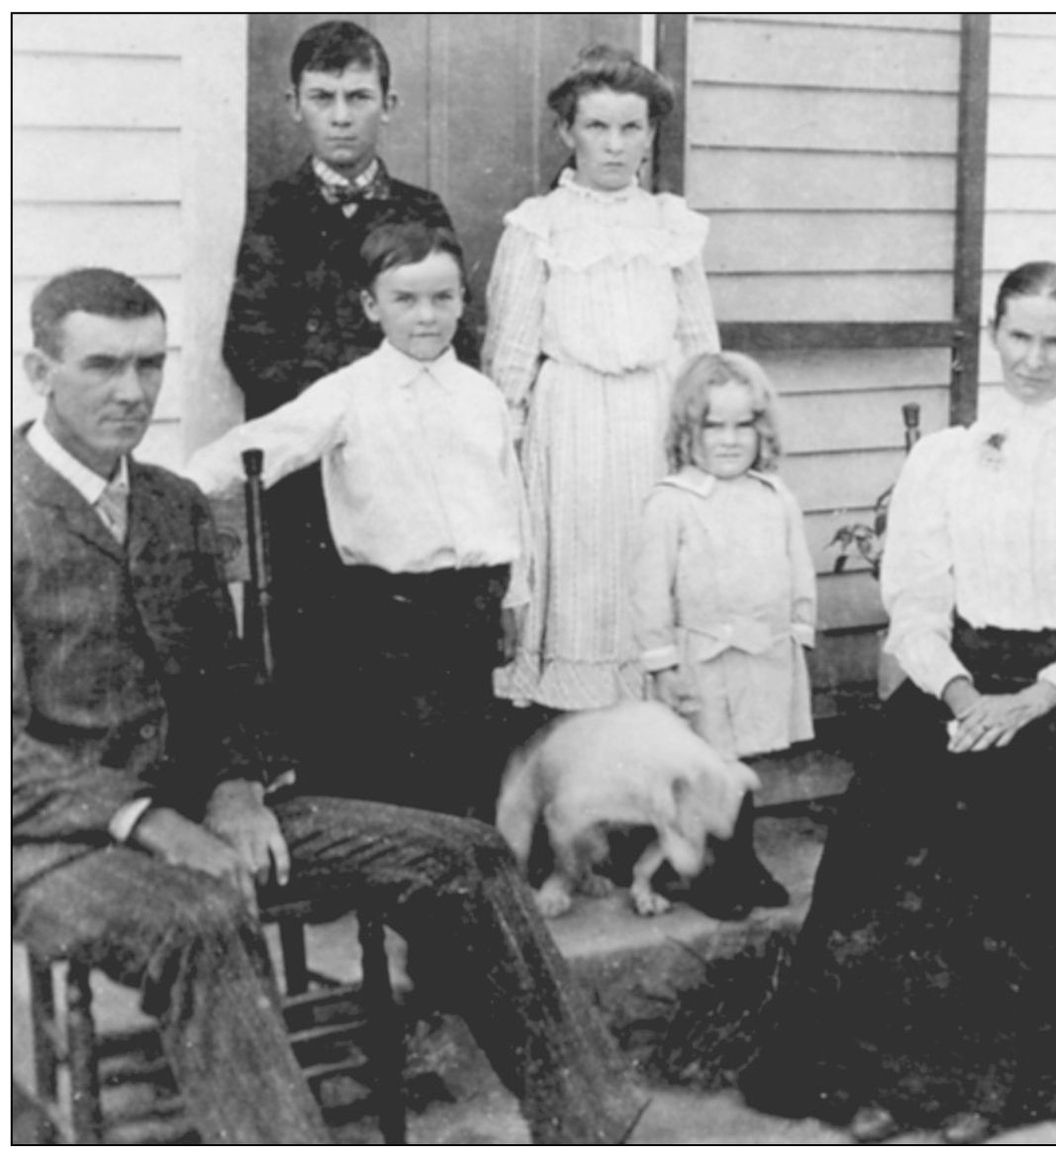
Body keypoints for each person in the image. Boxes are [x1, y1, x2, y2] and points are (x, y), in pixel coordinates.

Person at [12, 267, 644, 1144]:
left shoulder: (172, 505)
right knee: (203, 920)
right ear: (39, 372)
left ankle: (597, 1127)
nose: (133, 392)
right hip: (55, 842)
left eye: (150, 365)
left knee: (468, 855)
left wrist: (235, 785)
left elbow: (228, 681)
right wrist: (147, 820)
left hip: (208, 809)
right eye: (102, 366)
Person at [739, 262, 1056, 1144]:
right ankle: (879, 1078)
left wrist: (1033, 701)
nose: (1035, 359)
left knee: (1011, 841)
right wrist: (965, 692)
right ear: (995, 335)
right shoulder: (944, 458)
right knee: (881, 835)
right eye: (1020, 337)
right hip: (962, 678)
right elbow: (918, 606)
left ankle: (986, 1085)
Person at [189, 223, 523, 817]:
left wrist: (514, 598)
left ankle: (459, 875)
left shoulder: (480, 395)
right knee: (401, 760)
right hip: (391, 613)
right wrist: (174, 489)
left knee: (470, 749)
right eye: (405, 299)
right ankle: (406, 886)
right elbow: (262, 446)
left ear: (463, 302)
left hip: (473, 603)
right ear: (371, 306)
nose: (427, 316)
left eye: (443, 298)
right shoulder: (347, 394)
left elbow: (509, 500)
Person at [223, 19, 481, 777]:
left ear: (388, 103)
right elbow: (252, 345)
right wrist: (352, 388)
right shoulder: (275, 210)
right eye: (323, 97)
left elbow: (447, 332)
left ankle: (402, 816)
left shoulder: (419, 210)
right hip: (307, 482)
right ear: (293, 104)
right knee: (309, 650)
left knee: (398, 648)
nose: (341, 115)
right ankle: (324, 816)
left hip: (398, 467)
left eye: (358, 97)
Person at [484, 43, 721, 712]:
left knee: (654, 580)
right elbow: (508, 364)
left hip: (655, 428)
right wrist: (510, 463)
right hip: (572, 432)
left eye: (631, 128)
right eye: (597, 127)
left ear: (649, 134)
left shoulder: (672, 228)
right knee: (586, 589)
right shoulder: (538, 228)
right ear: (568, 132)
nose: (615, 146)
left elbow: (703, 353)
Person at [631, 352, 812, 915]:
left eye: (744, 426)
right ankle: (700, 870)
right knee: (704, 770)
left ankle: (743, 861)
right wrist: (661, 663)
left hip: (762, 654)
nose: (730, 440)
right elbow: (649, 590)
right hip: (699, 661)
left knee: (743, 767)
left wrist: (798, 630)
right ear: (690, 430)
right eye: (714, 425)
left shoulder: (774, 497)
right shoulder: (672, 502)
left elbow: (797, 565)